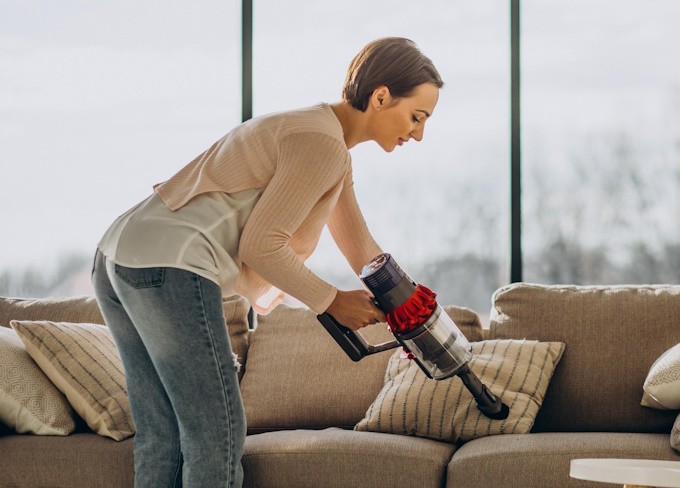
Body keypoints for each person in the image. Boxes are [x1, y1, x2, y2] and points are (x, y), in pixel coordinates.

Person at [91, 37, 443, 488]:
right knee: (215, 434)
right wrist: (332, 301)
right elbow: (262, 246)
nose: (418, 133)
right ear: (380, 96)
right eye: (417, 116)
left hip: (120, 255)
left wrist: (411, 306)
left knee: (163, 434)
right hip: (170, 263)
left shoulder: (319, 136)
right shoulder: (321, 144)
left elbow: (359, 245)